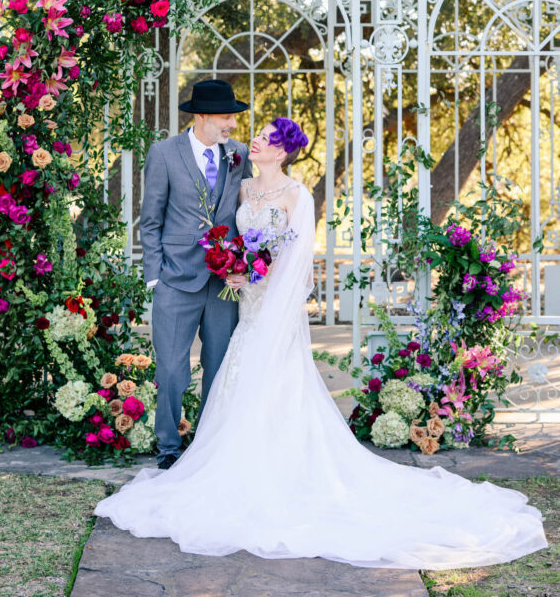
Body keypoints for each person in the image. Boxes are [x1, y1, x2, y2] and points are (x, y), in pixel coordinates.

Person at [96, 116, 547, 569]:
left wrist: (257, 278)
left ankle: (277, 472)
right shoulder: (243, 188)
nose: (252, 138)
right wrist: (235, 268)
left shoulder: (298, 195)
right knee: (236, 382)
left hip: (273, 309)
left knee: (272, 381)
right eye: (254, 133)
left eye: (266, 138)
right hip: (244, 303)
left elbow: (296, 264)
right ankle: (221, 462)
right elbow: (228, 234)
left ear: (282, 151)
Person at [139, 77, 252, 470]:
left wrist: (247, 264)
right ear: (202, 116)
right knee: (171, 369)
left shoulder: (238, 154)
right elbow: (150, 220)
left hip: (224, 284)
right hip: (175, 279)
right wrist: (155, 274)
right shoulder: (165, 153)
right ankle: (169, 447)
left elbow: (246, 214)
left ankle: (206, 448)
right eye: (225, 117)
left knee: (218, 369)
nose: (232, 125)